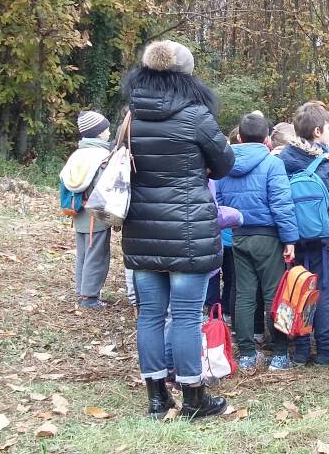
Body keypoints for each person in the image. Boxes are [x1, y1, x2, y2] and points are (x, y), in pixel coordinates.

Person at [122, 39, 234, 419]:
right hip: (189, 230)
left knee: (150, 315)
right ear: (188, 76)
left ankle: (156, 399)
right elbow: (223, 165)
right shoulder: (196, 115)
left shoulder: (130, 114)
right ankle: (194, 399)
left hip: (141, 225)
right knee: (186, 316)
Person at [216, 112, 299, 372]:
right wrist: (290, 238)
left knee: (243, 294)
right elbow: (282, 205)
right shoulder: (273, 164)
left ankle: (248, 353)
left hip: (238, 235)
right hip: (267, 236)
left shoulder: (225, 165)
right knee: (274, 294)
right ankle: (280, 353)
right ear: (267, 140)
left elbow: (218, 202)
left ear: (239, 137)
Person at [278, 101, 329, 367]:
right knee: (322, 292)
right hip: (322, 237)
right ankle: (324, 352)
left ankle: (299, 351)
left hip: (293, 239)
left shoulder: (282, 159)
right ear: (318, 131)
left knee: (296, 288)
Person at [60, 110, 112, 309]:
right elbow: (105, 187)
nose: (108, 133)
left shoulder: (77, 154)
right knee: (97, 255)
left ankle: (82, 292)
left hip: (78, 212)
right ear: (98, 133)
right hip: (96, 214)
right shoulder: (103, 156)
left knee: (83, 253)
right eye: (106, 130)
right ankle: (90, 298)